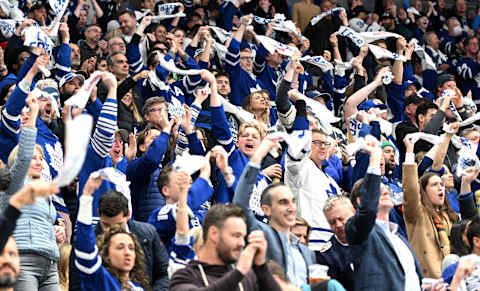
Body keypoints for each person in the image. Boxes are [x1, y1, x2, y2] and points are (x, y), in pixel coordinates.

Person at [234, 135, 316, 286]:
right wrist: (259, 154)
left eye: (292, 201)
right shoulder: (262, 234)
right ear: (266, 210)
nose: (291, 208)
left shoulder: (307, 252)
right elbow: (240, 203)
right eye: (283, 202)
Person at [345, 136, 423, 290]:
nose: (385, 190)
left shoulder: (398, 236)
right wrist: (374, 158)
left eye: (385, 188)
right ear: (361, 201)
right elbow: (367, 211)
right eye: (378, 190)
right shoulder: (359, 231)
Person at [168, 203, 283, 291]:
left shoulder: (247, 277)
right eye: (236, 235)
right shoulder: (184, 276)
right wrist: (239, 272)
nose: (242, 243)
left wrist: (261, 266)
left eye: (243, 237)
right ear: (214, 234)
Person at [74, 173, 150, 290]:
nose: (127, 253)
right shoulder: (101, 282)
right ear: (106, 253)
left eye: (131, 248)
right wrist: (87, 195)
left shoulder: (138, 287)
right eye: (120, 247)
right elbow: (86, 252)